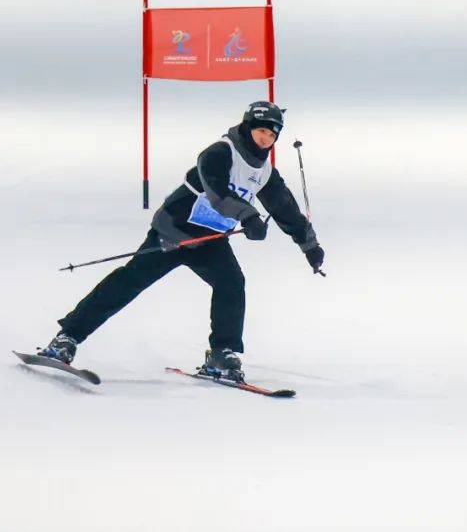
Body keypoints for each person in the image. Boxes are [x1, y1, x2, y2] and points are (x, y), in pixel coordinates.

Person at [37, 101, 324, 382]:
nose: (265, 139)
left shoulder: (264, 174)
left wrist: (310, 246)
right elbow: (218, 194)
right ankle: (67, 338)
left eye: (273, 135)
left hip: (210, 241)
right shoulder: (219, 153)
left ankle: (222, 354)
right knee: (128, 282)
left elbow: (286, 210)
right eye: (261, 131)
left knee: (232, 284)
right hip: (173, 233)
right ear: (248, 127)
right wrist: (248, 216)